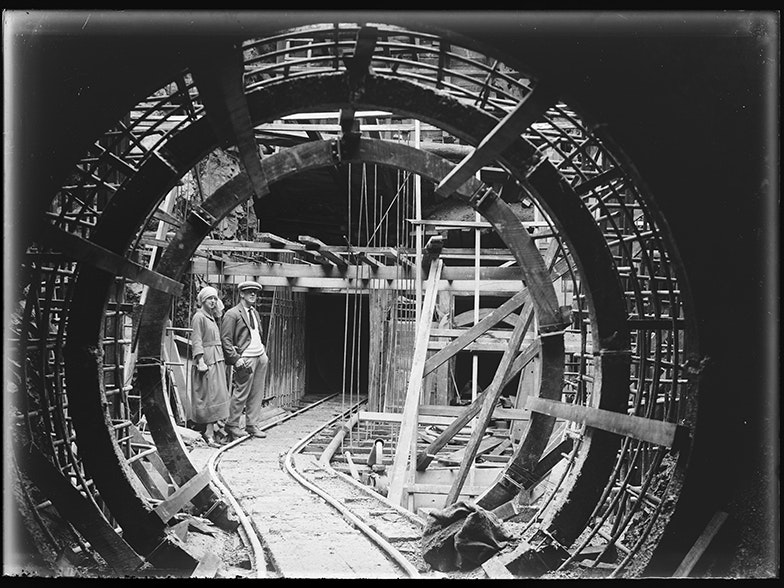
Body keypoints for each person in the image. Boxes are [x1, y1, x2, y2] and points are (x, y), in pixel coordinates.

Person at [220, 281, 270, 440]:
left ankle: (251, 424)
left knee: (257, 392)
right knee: (241, 392)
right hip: (246, 358)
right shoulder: (232, 313)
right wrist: (235, 359)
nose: (253, 294)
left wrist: (262, 351)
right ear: (241, 294)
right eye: (249, 292)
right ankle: (232, 424)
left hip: (260, 356)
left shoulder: (254, 312)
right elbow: (225, 339)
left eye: (255, 292)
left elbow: (256, 333)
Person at [190, 286, 230, 447]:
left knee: (218, 395)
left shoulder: (211, 317)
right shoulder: (199, 317)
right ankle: (209, 432)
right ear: (202, 301)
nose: (213, 301)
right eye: (209, 299)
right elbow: (197, 340)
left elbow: (220, 311)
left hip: (217, 359)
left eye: (215, 298)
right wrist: (200, 361)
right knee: (209, 396)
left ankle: (213, 429)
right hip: (207, 361)